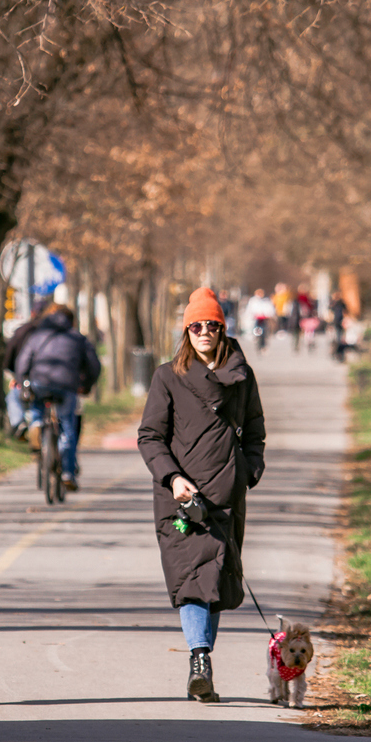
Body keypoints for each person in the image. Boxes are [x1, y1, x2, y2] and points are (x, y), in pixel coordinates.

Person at [137, 287, 266, 703]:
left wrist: (248, 472)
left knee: (216, 580)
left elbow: (255, 431)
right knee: (191, 578)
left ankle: (201, 659)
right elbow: (150, 437)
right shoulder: (167, 377)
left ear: (223, 329)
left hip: (226, 496)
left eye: (212, 325)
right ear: (186, 331)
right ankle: (200, 659)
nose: (205, 332)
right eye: (196, 326)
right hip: (181, 499)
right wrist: (173, 478)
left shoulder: (242, 377)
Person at [15, 303, 101, 491]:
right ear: (71, 321)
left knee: (37, 404)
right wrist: (85, 386)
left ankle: (36, 424)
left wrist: (23, 381)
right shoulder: (77, 338)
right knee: (67, 426)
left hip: (39, 381)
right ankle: (68, 473)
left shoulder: (37, 335)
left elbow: (22, 362)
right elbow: (94, 365)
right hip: (66, 385)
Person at [3, 306, 46, 438]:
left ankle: (20, 423)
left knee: (13, 397)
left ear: (32, 313)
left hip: (29, 378)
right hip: (57, 380)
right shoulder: (55, 332)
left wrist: (17, 377)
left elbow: (11, 357)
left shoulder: (22, 331)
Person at [242, 288, 274, 354]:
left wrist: (268, 315)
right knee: (257, 332)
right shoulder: (253, 301)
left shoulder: (265, 301)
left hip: (264, 319)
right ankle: (258, 344)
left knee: (264, 333)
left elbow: (270, 309)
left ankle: (263, 345)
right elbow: (250, 310)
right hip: (256, 320)